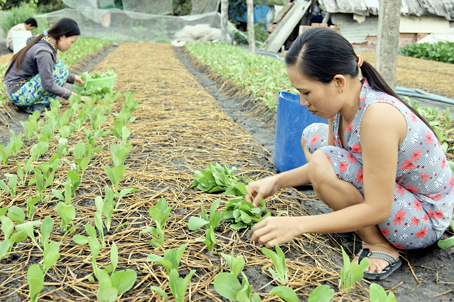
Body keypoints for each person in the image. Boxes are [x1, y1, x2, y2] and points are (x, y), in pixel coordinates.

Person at [247, 27, 454, 281]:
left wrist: (297, 224)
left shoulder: (377, 116)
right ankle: (350, 211)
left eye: (307, 93)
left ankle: (378, 244)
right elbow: (329, 159)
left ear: (338, 82)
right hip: (395, 198)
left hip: (421, 221)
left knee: (324, 161)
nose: (302, 102)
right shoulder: (342, 107)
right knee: (312, 136)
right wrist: (276, 181)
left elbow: (378, 208)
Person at [4, 18, 84, 115]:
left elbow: (46, 72)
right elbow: (48, 84)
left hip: (19, 90)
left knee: (59, 69)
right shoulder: (44, 52)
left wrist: (72, 78)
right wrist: (72, 95)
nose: (71, 46)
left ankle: (36, 102)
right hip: (19, 95)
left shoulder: (45, 44)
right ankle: (37, 104)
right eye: (72, 42)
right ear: (62, 36)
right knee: (60, 69)